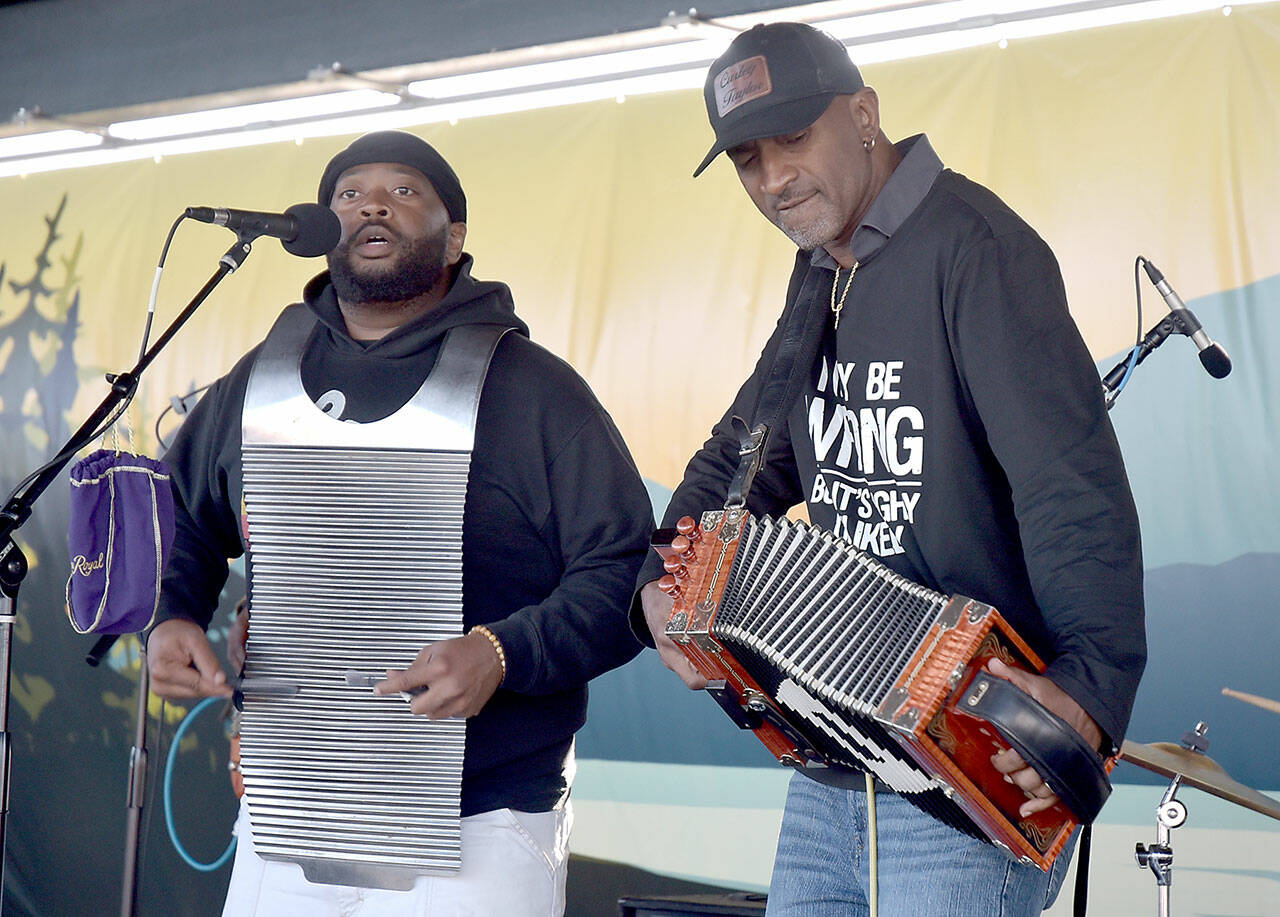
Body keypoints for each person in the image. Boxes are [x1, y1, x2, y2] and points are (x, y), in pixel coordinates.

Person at [636, 22, 1146, 917]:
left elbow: (1071, 486)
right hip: (835, 758)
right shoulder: (825, 266)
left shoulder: (977, 248)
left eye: (793, 140)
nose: (773, 178)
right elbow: (746, 451)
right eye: (749, 160)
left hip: (963, 762)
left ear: (864, 115)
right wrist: (661, 577)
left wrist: (1087, 688)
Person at [147, 130, 653, 916]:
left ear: (455, 238)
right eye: (347, 194)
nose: (371, 203)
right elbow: (179, 509)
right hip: (287, 819)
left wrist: (501, 652)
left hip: (480, 825)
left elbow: (627, 570)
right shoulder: (263, 377)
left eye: (403, 190)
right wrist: (172, 611)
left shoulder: (532, 389)